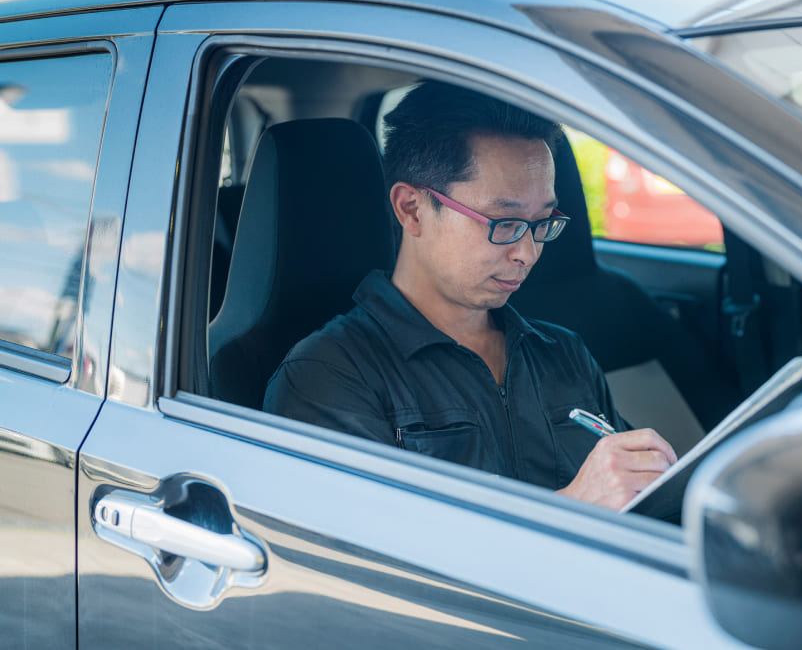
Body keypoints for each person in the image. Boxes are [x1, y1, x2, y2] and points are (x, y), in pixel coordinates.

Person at [264, 81, 675, 510]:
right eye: (504, 221)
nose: (528, 253)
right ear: (412, 208)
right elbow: (372, 565)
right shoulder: (328, 376)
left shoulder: (561, 354)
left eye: (541, 222)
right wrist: (576, 506)